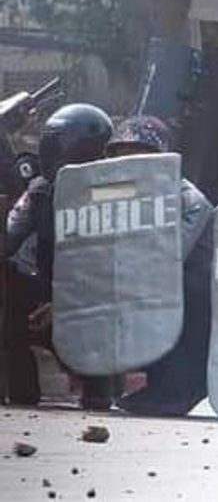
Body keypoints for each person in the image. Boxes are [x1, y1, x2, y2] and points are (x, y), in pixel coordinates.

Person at [6, 104, 118, 410]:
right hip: (47, 291)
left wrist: (65, 299)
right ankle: (21, 388)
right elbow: (9, 238)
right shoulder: (40, 191)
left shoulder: (116, 194)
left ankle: (99, 388)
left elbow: (120, 262)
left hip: (93, 296)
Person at [100, 116, 214, 416]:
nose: (130, 165)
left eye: (140, 157)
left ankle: (176, 390)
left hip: (185, 290)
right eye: (123, 157)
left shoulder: (190, 200)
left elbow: (168, 258)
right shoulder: (116, 199)